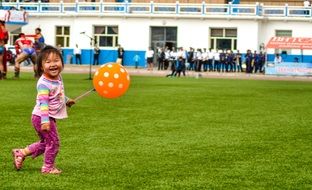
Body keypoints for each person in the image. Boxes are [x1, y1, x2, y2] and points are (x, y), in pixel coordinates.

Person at [12, 45, 75, 174]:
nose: (53, 64)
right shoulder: (43, 84)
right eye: (48, 62)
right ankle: (48, 167)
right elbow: (43, 103)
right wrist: (45, 121)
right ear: (41, 67)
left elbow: (57, 94)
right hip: (41, 116)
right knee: (54, 142)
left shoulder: (58, 78)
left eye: (56, 60)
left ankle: (21, 153)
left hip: (44, 117)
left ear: (62, 63)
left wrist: (66, 100)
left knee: (47, 142)